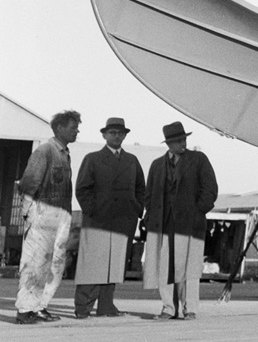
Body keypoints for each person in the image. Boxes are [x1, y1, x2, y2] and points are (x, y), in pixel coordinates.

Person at [143, 121, 218, 320]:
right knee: (165, 266)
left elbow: (210, 190)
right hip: (165, 223)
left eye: (184, 139)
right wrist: (150, 218)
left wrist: (197, 211)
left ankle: (190, 308)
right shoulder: (157, 165)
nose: (183, 144)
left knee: (190, 268)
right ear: (168, 143)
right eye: (178, 141)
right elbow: (149, 195)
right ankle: (168, 307)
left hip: (191, 224)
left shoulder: (199, 159)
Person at [73, 117, 146, 319]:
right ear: (104, 135)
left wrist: (136, 209)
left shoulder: (132, 161)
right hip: (98, 221)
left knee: (115, 263)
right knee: (92, 264)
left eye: (120, 133)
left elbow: (141, 188)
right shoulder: (92, 158)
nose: (117, 136)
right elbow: (82, 189)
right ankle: (83, 307)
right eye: (112, 132)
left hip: (123, 221)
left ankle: (106, 306)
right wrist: (92, 211)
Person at [14, 111, 81, 324]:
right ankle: (25, 310)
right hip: (43, 216)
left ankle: (40, 306)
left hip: (61, 217)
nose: (77, 131)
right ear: (59, 128)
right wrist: (29, 215)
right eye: (73, 127)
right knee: (35, 264)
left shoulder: (64, 153)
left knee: (55, 264)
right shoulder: (45, 151)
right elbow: (28, 184)